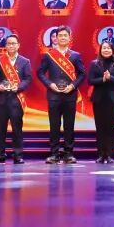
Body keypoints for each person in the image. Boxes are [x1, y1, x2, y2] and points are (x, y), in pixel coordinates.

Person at [38, 26, 86, 164]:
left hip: (70, 95)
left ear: (69, 38)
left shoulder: (75, 56)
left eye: (65, 35)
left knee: (69, 125)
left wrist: (72, 86)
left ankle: (68, 154)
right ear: (56, 38)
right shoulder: (49, 55)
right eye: (60, 35)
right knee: (54, 125)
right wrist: (50, 84)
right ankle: (54, 154)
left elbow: (82, 74)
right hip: (54, 95)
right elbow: (40, 72)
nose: (63, 37)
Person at [0, 34, 32, 164]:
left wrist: (18, 87)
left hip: (16, 99)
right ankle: (0, 155)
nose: (11, 45)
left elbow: (28, 79)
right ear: (6, 46)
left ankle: (18, 155)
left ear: (18, 45)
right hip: (2, 99)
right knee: (1, 129)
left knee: (17, 129)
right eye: (9, 43)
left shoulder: (25, 61)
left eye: (13, 43)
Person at [89, 41, 114, 163]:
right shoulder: (94, 64)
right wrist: (102, 79)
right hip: (98, 98)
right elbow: (90, 80)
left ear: (112, 50)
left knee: (111, 126)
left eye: (108, 48)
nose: (106, 50)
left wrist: (110, 78)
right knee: (100, 127)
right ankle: (101, 154)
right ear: (100, 50)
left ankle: (109, 154)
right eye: (104, 48)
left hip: (113, 99)